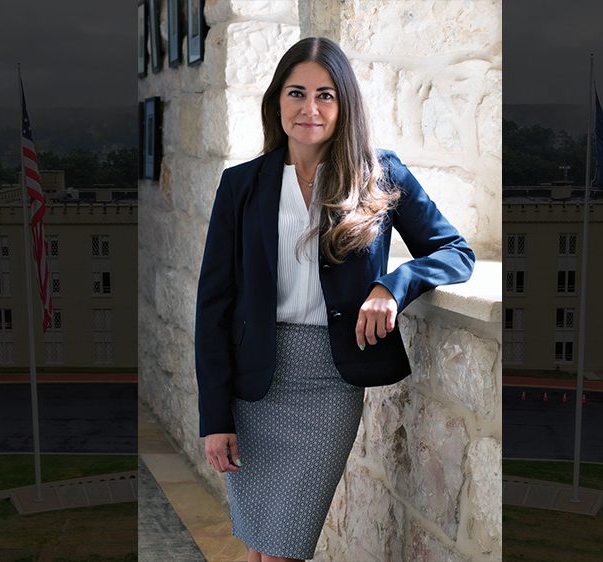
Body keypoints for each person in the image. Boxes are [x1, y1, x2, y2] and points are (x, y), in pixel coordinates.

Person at [194, 37, 475, 562]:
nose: (310, 108)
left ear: (344, 104)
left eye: (325, 95)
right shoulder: (240, 186)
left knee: (284, 547)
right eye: (296, 93)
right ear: (277, 101)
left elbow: (456, 252)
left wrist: (392, 285)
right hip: (252, 384)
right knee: (262, 546)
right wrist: (214, 417)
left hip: (330, 382)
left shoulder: (380, 173)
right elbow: (212, 307)